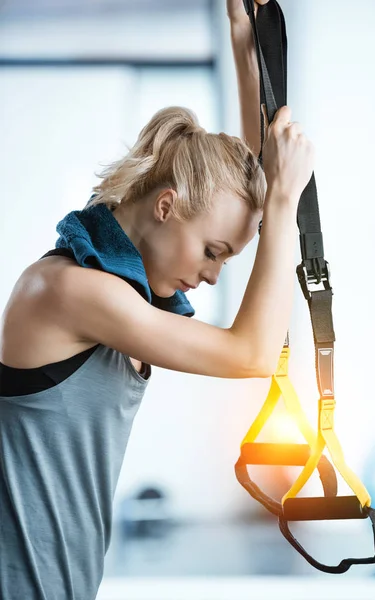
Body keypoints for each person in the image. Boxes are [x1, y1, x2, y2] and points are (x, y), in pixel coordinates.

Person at [0, 1, 315, 598]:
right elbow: (250, 354)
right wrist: (281, 207)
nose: (215, 275)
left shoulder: (118, 286)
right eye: (212, 252)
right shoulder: (69, 290)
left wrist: (245, 45)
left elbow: (234, 193)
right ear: (166, 205)